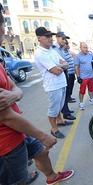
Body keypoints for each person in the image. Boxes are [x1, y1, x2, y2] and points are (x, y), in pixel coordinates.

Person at [0, 14, 74, 185]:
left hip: (18, 129)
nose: (4, 30)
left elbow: (13, 87)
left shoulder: (52, 50)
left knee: (41, 152)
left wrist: (16, 94)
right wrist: (43, 135)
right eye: (2, 24)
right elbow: (5, 116)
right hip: (6, 142)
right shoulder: (41, 53)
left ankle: (52, 176)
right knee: (17, 179)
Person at [34, 27, 72, 139]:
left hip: (61, 83)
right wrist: (60, 66)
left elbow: (65, 64)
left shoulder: (52, 50)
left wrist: (60, 66)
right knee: (54, 108)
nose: (50, 38)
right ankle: (54, 129)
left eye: (51, 36)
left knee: (59, 105)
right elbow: (56, 71)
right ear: (39, 38)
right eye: (47, 36)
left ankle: (60, 121)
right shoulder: (40, 53)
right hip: (53, 85)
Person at [53, 31, 76, 121]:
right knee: (62, 95)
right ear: (57, 38)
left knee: (65, 94)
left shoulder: (61, 48)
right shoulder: (54, 48)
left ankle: (66, 111)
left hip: (65, 72)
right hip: (59, 73)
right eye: (63, 38)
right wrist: (64, 65)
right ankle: (64, 114)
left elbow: (65, 61)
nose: (64, 41)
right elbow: (57, 63)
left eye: (65, 39)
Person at [75, 42, 93, 110]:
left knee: (91, 89)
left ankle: (91, 99)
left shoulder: (90, 54)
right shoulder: (78, 56)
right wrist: (78, 77)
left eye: (87, 47)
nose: (86, 49)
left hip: (91, 76)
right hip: (83, 77)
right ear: (81, 48)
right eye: (84, 47)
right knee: (82, 91)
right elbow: (76, 67)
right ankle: (81, 103)